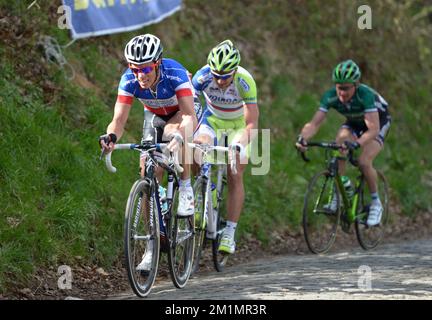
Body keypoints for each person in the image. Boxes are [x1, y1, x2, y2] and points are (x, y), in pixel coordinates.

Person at [99, 34, 198, 270]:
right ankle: (151, 247)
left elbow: (189, 116)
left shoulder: (175, 73)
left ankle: (185, 189)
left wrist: (178, 136)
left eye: (145, 69)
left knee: (175, 132)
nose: (140, 75)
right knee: (147, 169)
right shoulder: (129, 80)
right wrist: (111, 137)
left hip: (183, 113)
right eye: (134, 69)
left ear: (157, 63)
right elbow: (118, 120)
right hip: (154, 116)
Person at [295, 59, 391, 226]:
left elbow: (373, 129)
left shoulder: (365, 96)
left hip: (378, 123)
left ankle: (376, 203)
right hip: (354, 122)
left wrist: (357, 143)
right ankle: (340, 192)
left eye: (346, 88)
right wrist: (303, 138)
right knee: (339, 143)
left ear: (356, 84)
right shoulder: (330, 96)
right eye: (339, 87)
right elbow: (314, 123)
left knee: (364, 161)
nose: (342, 93)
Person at [192, 40, 259, 254]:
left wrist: (239, 144)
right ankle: (205, 189)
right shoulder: (201, 77)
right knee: (196, 150)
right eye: (216, 75)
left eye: (225, 76)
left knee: (235, 172)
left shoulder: (245, 81)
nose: (220, 81)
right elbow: (191, 109)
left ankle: (229, 232)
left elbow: (251, 124)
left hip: (238, 126)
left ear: (235, 71)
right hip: (212, 121)